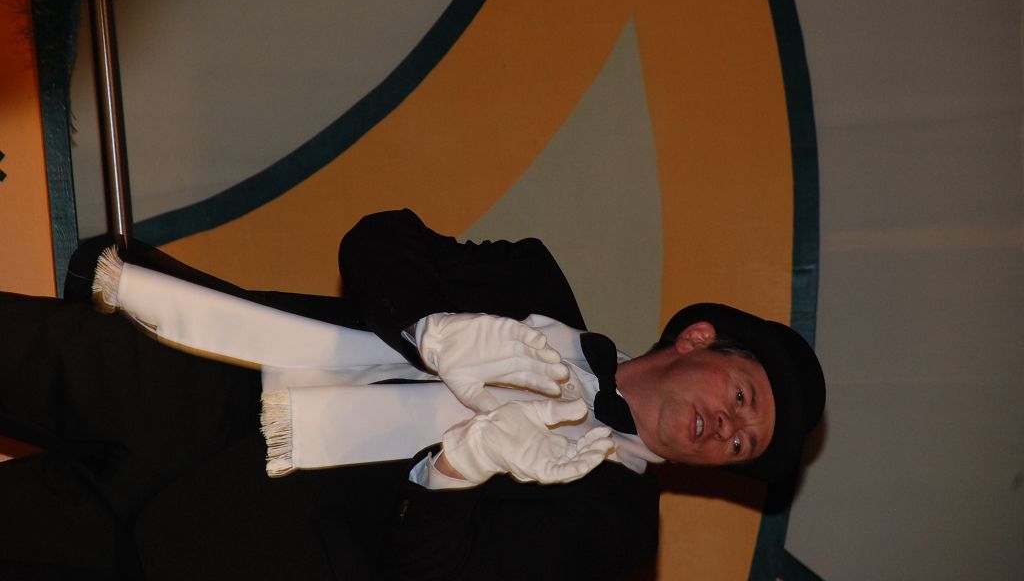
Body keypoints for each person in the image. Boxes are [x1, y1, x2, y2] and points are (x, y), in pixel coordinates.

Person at [0, 209, 824, 580]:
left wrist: (457, 472)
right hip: (191, 374)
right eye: (742, 398)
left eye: (740, 445)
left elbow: (434, 574)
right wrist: (432, 328)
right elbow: (380, 237)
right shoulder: (533, 284)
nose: (725, 429)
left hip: (224, 541)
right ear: (699, 339)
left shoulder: (615, 530)